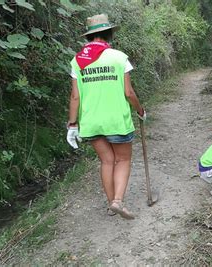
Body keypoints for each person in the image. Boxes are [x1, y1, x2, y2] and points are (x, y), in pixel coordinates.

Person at [66, 14, 146, 219]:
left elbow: (75, 96)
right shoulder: (119, 57)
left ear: (89, 37)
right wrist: (140, 110)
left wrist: (72, 124)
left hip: (91, 123)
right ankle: (118, 201)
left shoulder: (77, 61)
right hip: (117, 121)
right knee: (123, 159)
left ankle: (111, 205)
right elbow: (129, 93)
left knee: (107, 162)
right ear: (109, 34)